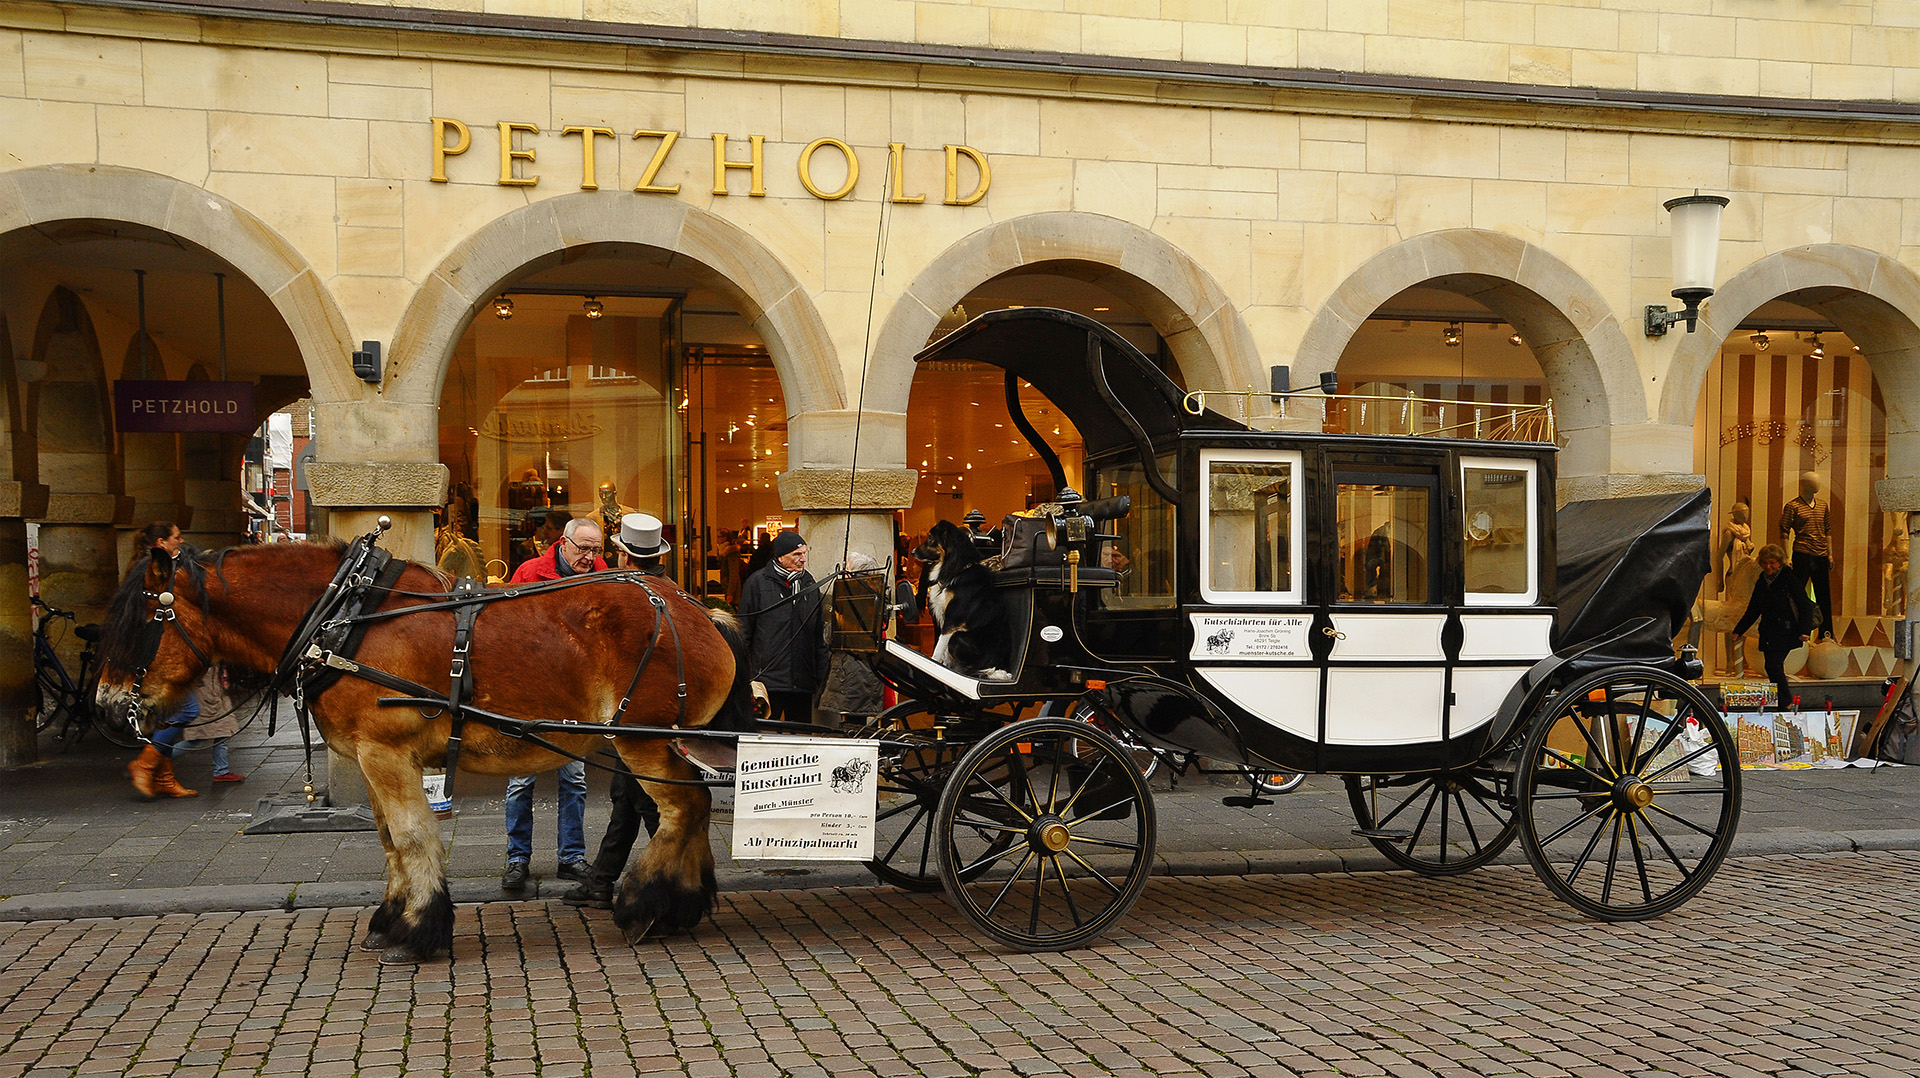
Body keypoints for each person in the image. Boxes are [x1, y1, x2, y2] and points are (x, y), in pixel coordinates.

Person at [564, 513, 671, 910]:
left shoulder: (627, 595)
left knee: (645, 801)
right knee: (625, 799)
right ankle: (600, 881)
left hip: (636, 714)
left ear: (624, 556)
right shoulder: (666, 590)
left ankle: (672, 875)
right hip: (640, 712)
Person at [501, 516, 604, 891]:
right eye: (584, 549)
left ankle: (571, 857)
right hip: (529, 696)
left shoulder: (601, 576)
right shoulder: (530, 573)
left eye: (597, 551)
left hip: (574, 699)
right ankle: (516, 860)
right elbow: (505, 633)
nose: (590, 557)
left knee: (574, 779)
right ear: (564, 543)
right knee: (520, 781)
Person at [738, 529, 828, 725]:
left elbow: (818, 636)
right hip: (768, 681)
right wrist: (744, 675)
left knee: (802, 742)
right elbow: (744, 632)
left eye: (805, 553)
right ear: (780, 557)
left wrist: (821, 676)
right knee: (765, 739)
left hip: (803, 682)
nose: (803, 559)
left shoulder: (810, 585)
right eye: (797, 554)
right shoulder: (757, 583)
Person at [1734, 544, 1813, 712]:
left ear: (1780, 562)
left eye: (1772, 563)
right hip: (1769, 631)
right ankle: (1781, 700)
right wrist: (1739, 630)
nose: (1768, 567)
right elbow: (1754, 608)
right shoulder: (1762, 581)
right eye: (1764, 563)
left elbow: (1805, 605)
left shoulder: (1789, 580)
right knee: (1771, 666)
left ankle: (1785, 701)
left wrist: (1804, 630)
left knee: (1774, 665)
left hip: (1786, 630)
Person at [1780, 471, 1833, 641]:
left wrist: (1830, 554)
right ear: (1804, 484)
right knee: (1796, 594)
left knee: (1824, 595)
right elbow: (1784, 531)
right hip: (1802, 553)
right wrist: (1787, 557)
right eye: (1813, 482)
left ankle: (1826, 633)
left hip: (1821, 555)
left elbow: (1828, 531)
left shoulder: (1823, 506)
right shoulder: (1792, 506)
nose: (1817, 485)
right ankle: (1796, 631)